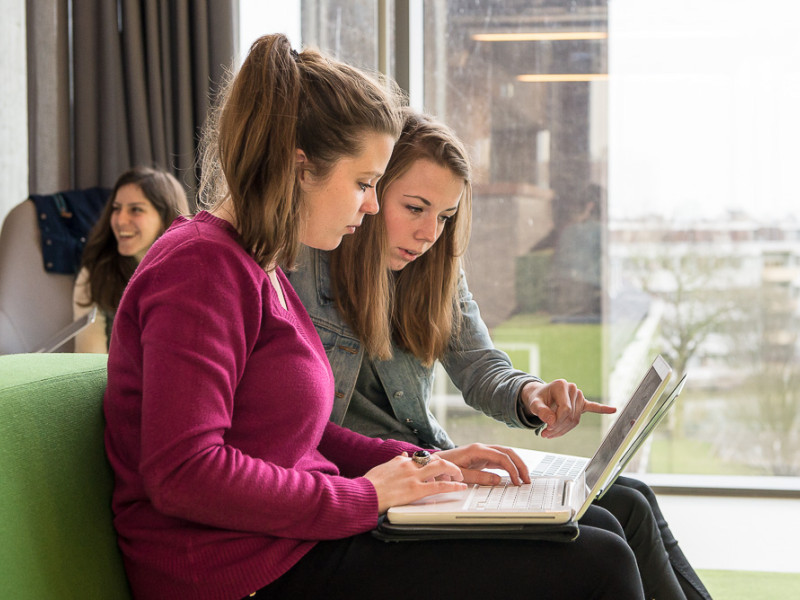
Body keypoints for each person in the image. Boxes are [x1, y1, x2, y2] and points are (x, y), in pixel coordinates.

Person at [103, 34, 644, 600]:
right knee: (599, 561)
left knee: (602, 527)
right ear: (299, 167)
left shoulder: (257, 264)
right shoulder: (200, 268)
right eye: (364, 184)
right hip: (237, 571)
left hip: (290, 541)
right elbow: (184, 475)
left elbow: (299, 440)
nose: (370, 203)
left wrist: (424, 462)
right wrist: (367, 496)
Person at [290, 109, 712, 600]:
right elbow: (302, 433)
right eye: (414, 208)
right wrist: (424, 462)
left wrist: (531, 394)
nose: (430, 234)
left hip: (434, 469)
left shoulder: (436, 270)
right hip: (384, 488)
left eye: (445, 217)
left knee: (634, 500)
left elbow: (479, 366)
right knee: (606, 542)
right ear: (373, 189)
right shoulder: (304, 267)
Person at [72, 166, 189, 352]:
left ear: (165, 217)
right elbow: (89, 363)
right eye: (116, 209)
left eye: (136, 210)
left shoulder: (192, 274)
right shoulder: (94, 275)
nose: (120, 221)